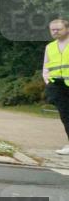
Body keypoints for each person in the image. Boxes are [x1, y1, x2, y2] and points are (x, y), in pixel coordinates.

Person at [43, 17, 69, 155]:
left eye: (58, 29)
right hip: (57, 86)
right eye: (52, 30)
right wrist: (48, 81)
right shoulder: (50, 47)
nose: (55, 32)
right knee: (66, 116)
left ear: (67, 29)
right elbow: (46, 67)